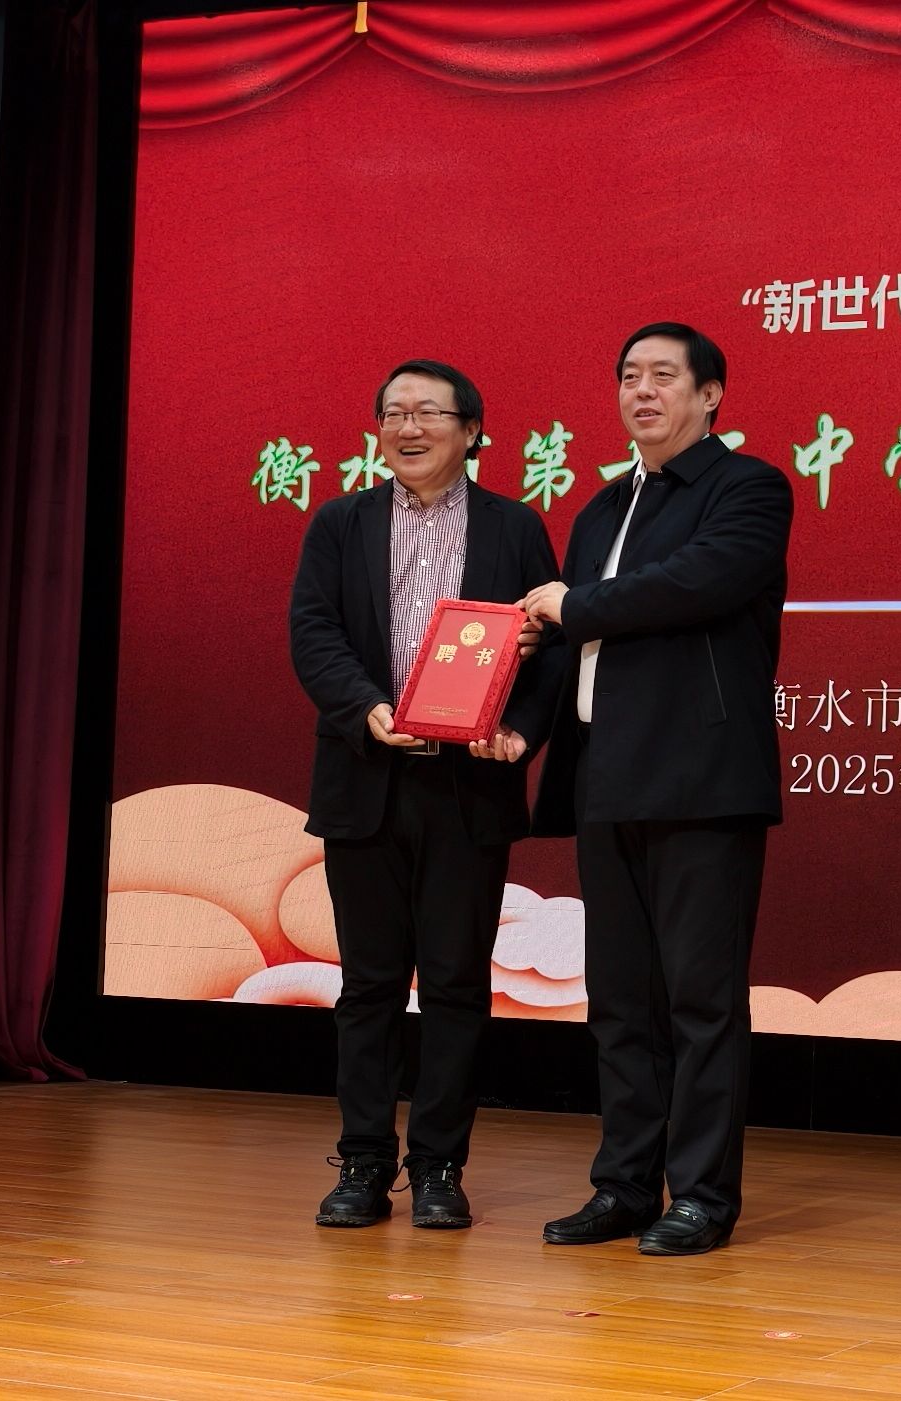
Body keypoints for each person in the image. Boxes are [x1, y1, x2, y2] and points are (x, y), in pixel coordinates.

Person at [517, 323, 792, 1256]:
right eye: (628, 375)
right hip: (608, 774)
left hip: (700, 778)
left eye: (663, 376)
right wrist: (529, 696)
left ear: (710, 395)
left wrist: (573, 605)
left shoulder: (748, 487)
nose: (642, 391)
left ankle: (703, 1196)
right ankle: (625, 1185)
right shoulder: (601, 508)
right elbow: (576, 638)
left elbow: (695, 583)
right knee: (621, 1001)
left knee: (702, 1001)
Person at [289, 359, 560, 1228]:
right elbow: (314, 631)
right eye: (393, 413)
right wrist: (367, 709)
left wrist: (519, 730)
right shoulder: (341, 523)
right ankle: (363, 1162)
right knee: (369, 985)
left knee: (454, 983)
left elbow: (549, 649)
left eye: (428, 413)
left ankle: (439, 1166)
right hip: (366, 777)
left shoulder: (515, 527)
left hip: (467, 784)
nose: (408, 428)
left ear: (471, 430)